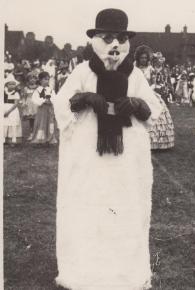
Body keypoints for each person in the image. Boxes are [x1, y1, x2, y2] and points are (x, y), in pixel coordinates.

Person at [53, 8, 163, 290]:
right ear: (95, 39)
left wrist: (137, 105)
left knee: (123, 208)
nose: (114, 45)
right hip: (89, 155)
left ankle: (123, 271)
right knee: (90, 206)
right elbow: (62, 103)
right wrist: (84, 98)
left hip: (126, 159)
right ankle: (86, 271)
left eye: (120, 39)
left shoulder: (134, 74)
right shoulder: (82, 71)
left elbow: (154, 109)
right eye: (107, 38)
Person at [31, 71, 58, 144]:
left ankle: (50, 138)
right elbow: (34, 99)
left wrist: (51, 101)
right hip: (42, 110)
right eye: (45, 79)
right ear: (40, 80)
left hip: (49, 109)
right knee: (41, 123)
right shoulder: (37, 90)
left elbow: (54, 98)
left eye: (48, 79)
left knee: (50, 123)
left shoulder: (50, 90)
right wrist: (43, 101)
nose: (47, 81)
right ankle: (40, 138)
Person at [4, 77, 22, 145]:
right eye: (10, 84)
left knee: (13, 124)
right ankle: (3, 139)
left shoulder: (16, 93)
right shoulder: (3, 92)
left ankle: (13, 140)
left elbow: (16, 104)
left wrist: (8, 112)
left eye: (14, 84)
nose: (12, 86)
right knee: (4, 124)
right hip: (4, 109)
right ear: (6, 85)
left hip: (12, 110)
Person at [21, 72, 39, 140]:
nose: (32, 80)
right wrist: (23, 102)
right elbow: (24, 97)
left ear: (36, 79)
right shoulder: (26, 88)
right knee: (31, 119)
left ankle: (37, 133)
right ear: (28, 80)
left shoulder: (38, 88)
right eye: (30, 78)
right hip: (29, 104)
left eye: (34, 78)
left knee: (37, 119)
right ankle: (31, 134)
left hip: (36, 104)